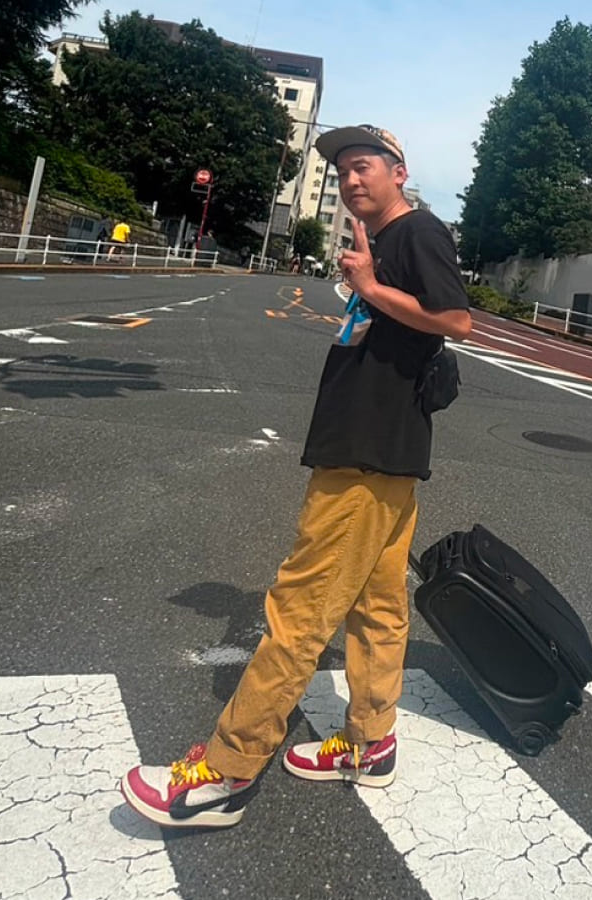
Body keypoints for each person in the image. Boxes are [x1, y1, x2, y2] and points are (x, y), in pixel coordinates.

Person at [121, 124, 472, 829]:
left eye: (364, 165)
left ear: (399, 172)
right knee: (377, 608)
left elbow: (455, 320)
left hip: (367, 453)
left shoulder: (416, 232)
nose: (351, 179)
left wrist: (369, 286)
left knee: (300, 609)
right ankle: (370, 743)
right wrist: (368, 284)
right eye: (342, 171)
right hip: (383, 454)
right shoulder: (385, 240)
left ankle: (225, 772)